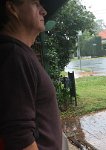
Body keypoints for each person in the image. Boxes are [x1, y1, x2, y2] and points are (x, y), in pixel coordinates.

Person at [0, 0, 63, 149]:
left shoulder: (20, 52)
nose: (44, 11)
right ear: (12, 8)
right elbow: (19, 134)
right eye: (35, 3)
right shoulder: (13, 56)